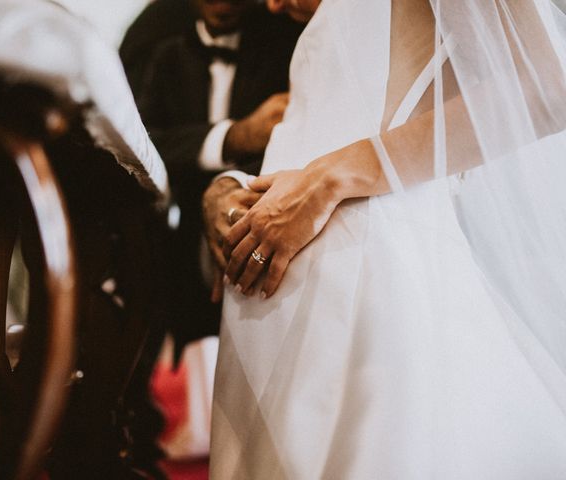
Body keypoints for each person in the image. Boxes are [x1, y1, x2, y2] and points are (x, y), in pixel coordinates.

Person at [209, 0, 566, 478]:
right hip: (293, 321)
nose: (271, 5)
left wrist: (330, 178)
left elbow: (543, 84)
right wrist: (228, 191)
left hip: (370, 310)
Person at [121, 0, 303, 352]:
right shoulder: (163, 51)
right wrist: (235, 135)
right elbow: (138, 143)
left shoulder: (283, 45)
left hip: (258, 222)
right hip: (178, 238)